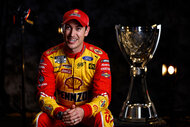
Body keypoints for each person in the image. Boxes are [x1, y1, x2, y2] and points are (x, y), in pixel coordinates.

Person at [33, 8, 114, 127]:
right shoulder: (48, 57)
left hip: (88, 113)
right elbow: (44, 96)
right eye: (68, 27)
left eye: (78, 28)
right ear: (62, 30)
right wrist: (61, 113)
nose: (72, 34)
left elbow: (103, 97)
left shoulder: (100, 56)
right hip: (61, 113)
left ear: (86, 31)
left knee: (104, 118)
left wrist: (83, 111)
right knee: (40, 119)